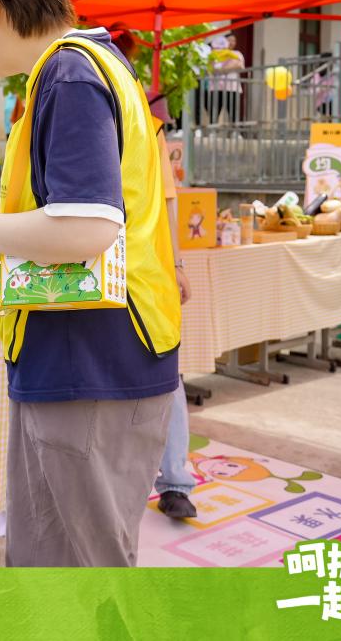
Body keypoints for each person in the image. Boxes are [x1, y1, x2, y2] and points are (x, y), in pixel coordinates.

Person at [0, 0, 181, 567]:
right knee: (61, 566)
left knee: (77, 576)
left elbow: (84, 229)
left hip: (90, 361)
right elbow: (78, 213)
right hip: (86, 357)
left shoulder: (68, 75)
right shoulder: (90, 65)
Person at [148, 91, 198, 519]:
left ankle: (175, 483)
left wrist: (177, 262)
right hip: (91, 278)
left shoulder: (150, 131)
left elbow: (168, 201)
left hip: (150, 276)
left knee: (168, 377)